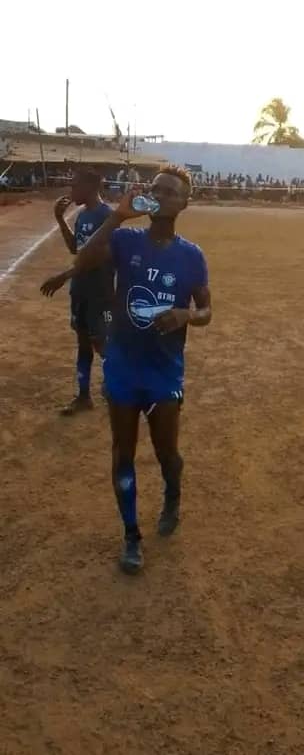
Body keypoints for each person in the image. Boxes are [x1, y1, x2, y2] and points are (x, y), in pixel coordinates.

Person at [42, 166, 211, 573]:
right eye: (155, 189)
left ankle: (172, 496)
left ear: (185, 204)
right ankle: (131, 535)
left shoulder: (191, 256)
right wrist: (118, 215)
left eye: (170, 192)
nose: (160, 195)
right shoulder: (125, 239)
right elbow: (84, 260)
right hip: (122, 367)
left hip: (164, 371)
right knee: (123, 453)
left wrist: (186, 314)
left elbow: (207, 310)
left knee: (167, 452)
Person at [41, 169, 114, 415]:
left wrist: (63, 276)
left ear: (90, 188)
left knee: (102, 344)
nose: (71, 191)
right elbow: (76, 249)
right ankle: (83, 397)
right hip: (80, 291)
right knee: (83, 343)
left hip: (99, 293)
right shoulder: (83, 215)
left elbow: (96, 259)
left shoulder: (107, 216)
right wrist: (60, 219)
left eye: (75, 186)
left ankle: (121, 387)